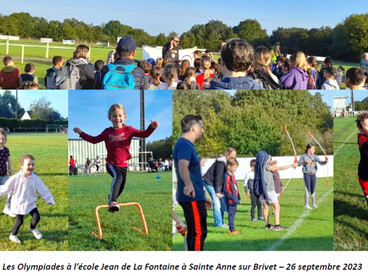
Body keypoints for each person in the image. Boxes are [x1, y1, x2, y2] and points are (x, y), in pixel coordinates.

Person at [73, 104, 159, 211]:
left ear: (124, 117)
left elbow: (144, 134)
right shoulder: (107, 132)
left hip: (124, 164)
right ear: (109, 118)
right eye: (114, 116)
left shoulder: (129, 129)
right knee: (118, 177)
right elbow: (94, 140)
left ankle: (112, 198)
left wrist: (152, 127)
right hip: (111, 164)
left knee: (122, 185)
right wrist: (81, 133)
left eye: (120, 116)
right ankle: (113, 201)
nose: (117, 118)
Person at [0, 155, 55, 244]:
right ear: (21, 166)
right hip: (18, 203)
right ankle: (13, 235)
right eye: (28, 164)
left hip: (30, 202)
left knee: (37, 217)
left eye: (32, 165)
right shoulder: (15, 178)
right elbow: (6, 188)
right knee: (20, 221)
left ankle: (32, 228)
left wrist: (49, 199)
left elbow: (43, 189)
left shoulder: (35, 178)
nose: (31, 167)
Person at [173, 114, 206, 251]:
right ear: (193, 128)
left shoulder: (186, 144)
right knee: (198, 233)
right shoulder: (185, 144)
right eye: (201, 127)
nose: (203, 130)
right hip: (191, 196)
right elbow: (182, 165)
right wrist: (188, 184)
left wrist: (203, 196)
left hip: (195, 196)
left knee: (196, 233)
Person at [253, 151, 297, 230]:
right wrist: (291, 165)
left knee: (266, 206)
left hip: (262, 189)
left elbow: (268, 164)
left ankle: (268, 225)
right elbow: (279, 168)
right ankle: (277, 225)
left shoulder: (258, 166)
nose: (269, 160)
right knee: (277, 206)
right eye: (268, 158)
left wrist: (271, 162)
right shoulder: (266, 167)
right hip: (269, 189)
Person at [203, 147, 237, 228]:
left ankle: (221, 222)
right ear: (227, 154)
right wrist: (217, 192)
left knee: (222, 203)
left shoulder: (226, 163)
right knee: (217, 203)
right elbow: (217, 177)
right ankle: (218, 224)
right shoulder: (221, 163)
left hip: (216, 184)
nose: (234, 158)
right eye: (233, 156)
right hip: (209, 182)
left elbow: (223, 179)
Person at [298, 144, 328, 209]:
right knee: (307, 189)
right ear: (309, 149)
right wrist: (305, 162)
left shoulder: (315, 156)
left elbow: (321, 162)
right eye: (313, 149)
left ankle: (313, 203)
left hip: (313, 174)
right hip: (306, 174)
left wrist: (325, 161)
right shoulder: (303, 156)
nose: (314, 150)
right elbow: (298, 164)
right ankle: (306, 204)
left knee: (313, 189)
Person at [223, 157, 241, 235]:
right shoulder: (227, 176)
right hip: (230, 200)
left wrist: (237, 196)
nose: (236, 168)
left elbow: (234, 187)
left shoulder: (232, 175)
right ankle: (231, 230)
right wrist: (230, 197)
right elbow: (226, 189)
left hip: (234, 198)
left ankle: (233, 229)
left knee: (233, 214)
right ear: (229, 166)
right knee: (231, 215)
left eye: (236, 167)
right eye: (234, 167)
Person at [356, 113, 368, 206]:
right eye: (367, 125)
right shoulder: (361, 138)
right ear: (361, 128)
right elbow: (365, 146)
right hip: (365, 175)